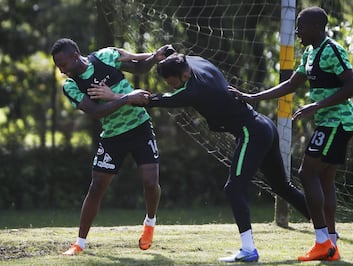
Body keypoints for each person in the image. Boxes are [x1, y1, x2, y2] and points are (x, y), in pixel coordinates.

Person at [88, 49, 311, 262]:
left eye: (173, 83)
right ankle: (326, 235)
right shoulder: (195, 62)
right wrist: (163, 55)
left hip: (251, 132)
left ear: (184, 75)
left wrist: (114, 95)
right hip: (264, 126)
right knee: (282, 186)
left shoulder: (192, 90)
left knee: (234, 188)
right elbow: (176, 56)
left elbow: (150, 100)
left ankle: (248, 249)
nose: (172, 87)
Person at [230, 7, 353, 262]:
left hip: (338, 122)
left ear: (315, 27)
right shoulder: (310, 53)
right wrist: (253, 96)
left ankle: (322, 241)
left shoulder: (331, 50)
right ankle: (331, 245)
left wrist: (316, 106)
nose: (297, 32)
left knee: (306, 172)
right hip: (328, 122)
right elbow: (291, 84)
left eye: (301, 26)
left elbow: (352, 86)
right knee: (324, 180)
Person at [50, 38, 171, 255]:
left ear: (75, 56)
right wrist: (126, 98)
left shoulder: (105, 57)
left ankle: (150, 223)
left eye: (64, 65)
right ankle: (79, 243)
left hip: (139, 126)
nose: (61, 71)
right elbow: (96, 112)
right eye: (58, 67)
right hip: (112, 136)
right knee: (96, 188)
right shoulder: (71, 86)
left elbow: (138, 67)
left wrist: (155, 58)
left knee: (150, 183)